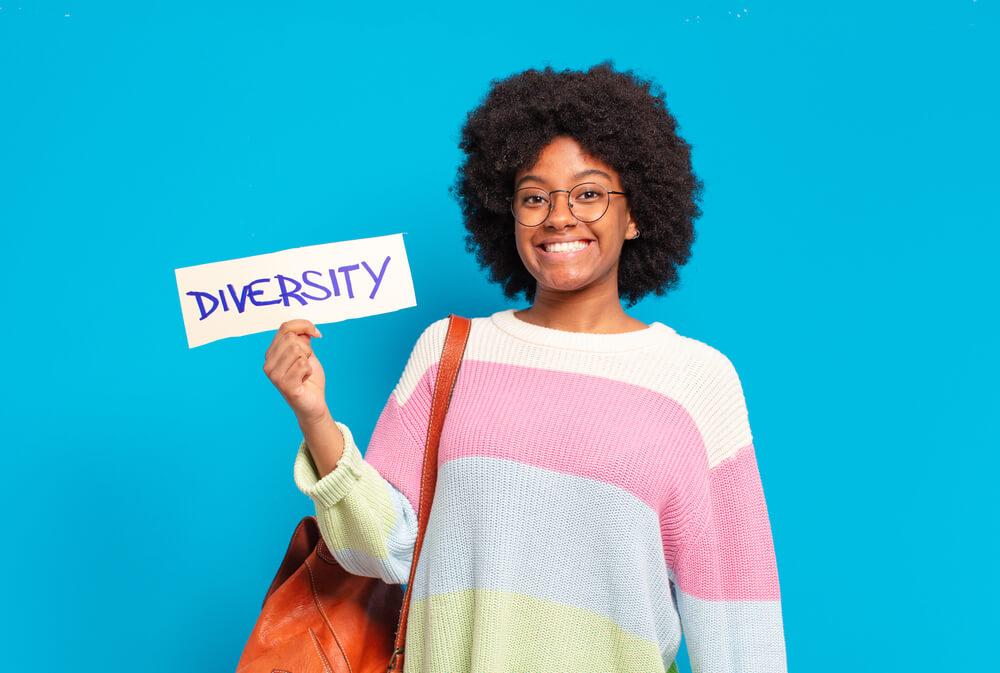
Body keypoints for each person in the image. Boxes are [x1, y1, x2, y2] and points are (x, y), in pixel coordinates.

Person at [263, 63, 787, 673]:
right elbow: (378, 550)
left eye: (589, 193)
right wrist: (314, 414)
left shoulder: (697, 381)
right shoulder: (449, 352)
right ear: (508, 215)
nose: (559, 217)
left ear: (637, 214)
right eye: (534, 197)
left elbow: (738, 621)